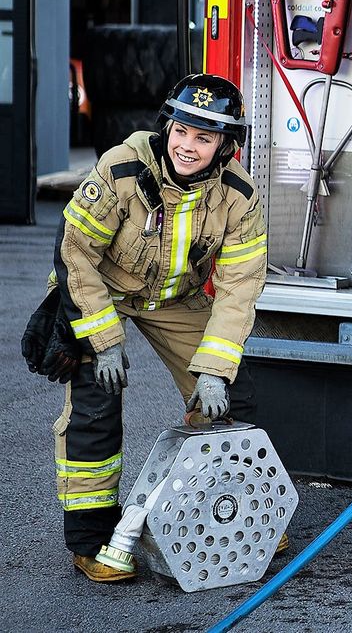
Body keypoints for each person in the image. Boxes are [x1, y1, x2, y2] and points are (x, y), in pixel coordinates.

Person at [23, 74, 269, 583]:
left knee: (231, 399)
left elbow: (239, 288)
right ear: (167, 127)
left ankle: (237, 513)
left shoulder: (240, 197)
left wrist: (215, 369)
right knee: (95, 407)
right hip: (100, 293)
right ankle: (94, 542)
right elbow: (75, 253)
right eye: (182, 131)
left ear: (226, 147)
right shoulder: (122, 168)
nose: (188, 145)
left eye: (204, 138)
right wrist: (103, 340)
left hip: (173, 299)